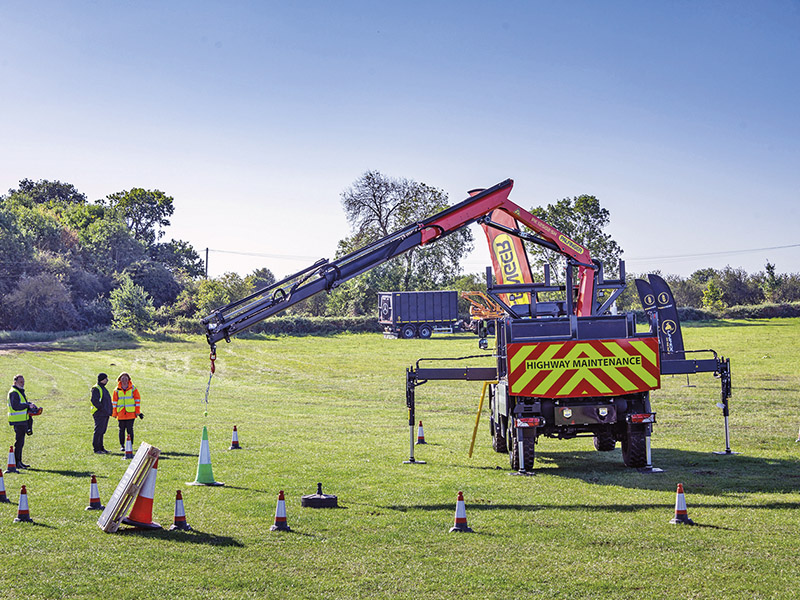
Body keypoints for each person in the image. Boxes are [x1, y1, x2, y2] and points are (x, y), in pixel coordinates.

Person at [112, 372, 143, 452]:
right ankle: (122, 445)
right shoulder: (116, 390)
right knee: (121, 430)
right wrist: (114, 413)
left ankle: (130, 445)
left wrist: (137, 412)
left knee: (130, 430)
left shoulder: (133, 388)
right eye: (122, 378)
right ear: (119, 379)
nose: (124, 380)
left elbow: (137, 400)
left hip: (131, 413)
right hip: (121, 413)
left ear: (129, 379)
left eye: (126, 378)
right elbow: (114, 402)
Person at [7, 374, 31, 468]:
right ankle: (17, 462)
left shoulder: (19, 391)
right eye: (21, 382)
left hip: (22, 420)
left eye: (23, 381)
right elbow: (15, 406)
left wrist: (29, 404)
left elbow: (21, 403)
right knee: (19, 442)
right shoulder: (14, 392)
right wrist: (27, 406)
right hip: (18, 421)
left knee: (21, 442)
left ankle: (19, 462)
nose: (23, 383)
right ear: (15, 382)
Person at [90, 373, 113, 454]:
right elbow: (94, 401)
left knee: (102, 431)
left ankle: (101, 448)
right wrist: (102, 409)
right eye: (106, 378)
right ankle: (96, 449)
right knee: (98, 431)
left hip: (105, 413)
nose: (107, 380)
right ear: (102, 379)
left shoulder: (103, 388)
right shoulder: (96, 388)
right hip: (99, 413)